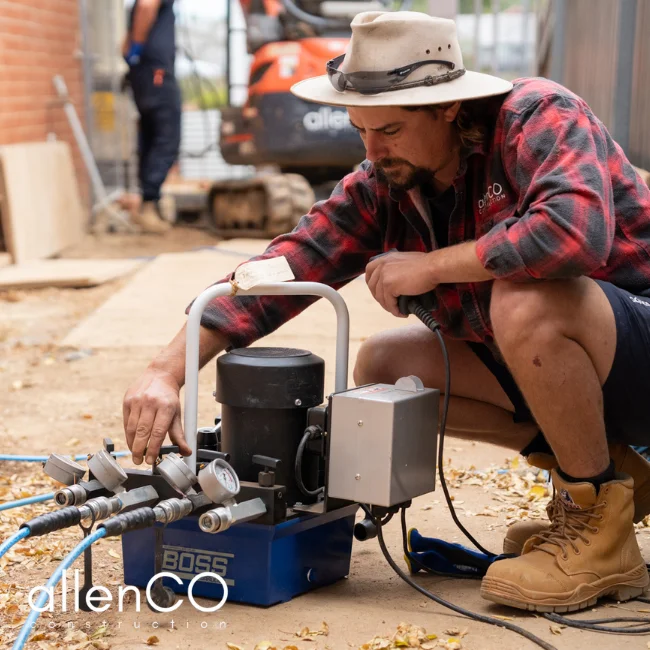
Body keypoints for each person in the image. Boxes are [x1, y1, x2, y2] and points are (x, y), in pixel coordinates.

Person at [122, 11, 650, 611]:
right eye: (361, 130)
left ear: (448, 107)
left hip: (639, 338)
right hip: (600, 372)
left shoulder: (536, 116)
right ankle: (611, 483)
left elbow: (571, 234)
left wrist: (429, 267)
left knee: (528, 295)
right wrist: (169, 367)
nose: (374, 151)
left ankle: (599, 535)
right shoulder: (387, 182)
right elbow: (290, 264)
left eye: (391, 130)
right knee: (386, 364)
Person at [122, 0, 180, 234]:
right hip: (156, 71)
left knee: (150, 134)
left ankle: (149, 204)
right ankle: (148, 204)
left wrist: (133, 52)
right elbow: (147, 5)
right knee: (167, 136)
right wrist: (137, 46)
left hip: (146, 72)